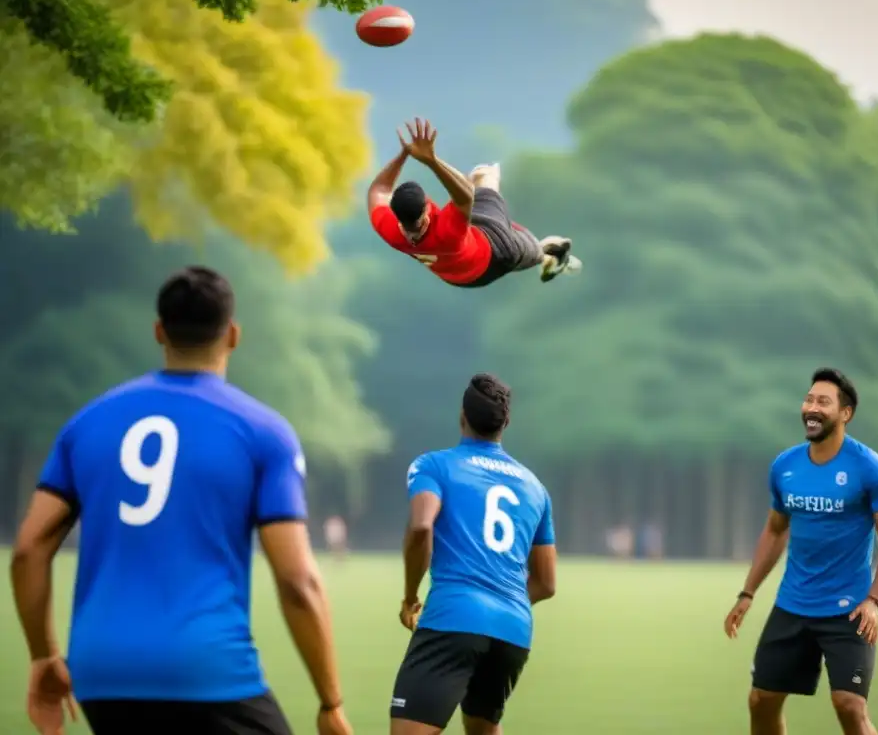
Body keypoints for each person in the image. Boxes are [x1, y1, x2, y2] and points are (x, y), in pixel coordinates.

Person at [9, 266, 353, 735]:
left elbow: (29, 549)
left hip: (100, 676)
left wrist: (44, 656)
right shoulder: (264, 432)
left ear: (159, 331)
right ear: (233, 334)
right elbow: (297, 581)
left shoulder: (87, 423)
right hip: (208, 672)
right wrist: (330, 703)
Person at [723, 367, 878, 735]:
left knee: (850, 706)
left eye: (823, 401)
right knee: (761, 700)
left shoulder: (871, 469)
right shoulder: (786, 466)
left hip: (849, 609)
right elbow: (775, 531)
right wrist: (748, 592)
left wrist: (874, 600)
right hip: (793, 605)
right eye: (809, 399)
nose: (812, 407)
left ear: (845, 413)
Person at [390, 373, 557, 735]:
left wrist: (409, 597)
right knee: (482, 728)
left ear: (462, 416)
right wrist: (500, 599)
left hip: (453, 617)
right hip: (512, 630)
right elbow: (545, 583)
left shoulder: (433, 466)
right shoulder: (535, 488)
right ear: (506, 423)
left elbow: (421, 528)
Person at [367, 118, 581, 287]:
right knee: (484, 174)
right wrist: (430, 160)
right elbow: (467, 195)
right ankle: (551, 254)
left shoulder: (390, 231)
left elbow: (379, 190)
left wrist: (404, 154)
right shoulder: (446, 230)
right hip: (496, 249)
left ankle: (545, 254)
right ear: (425, 211)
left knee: (475, 185)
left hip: (458, 276)